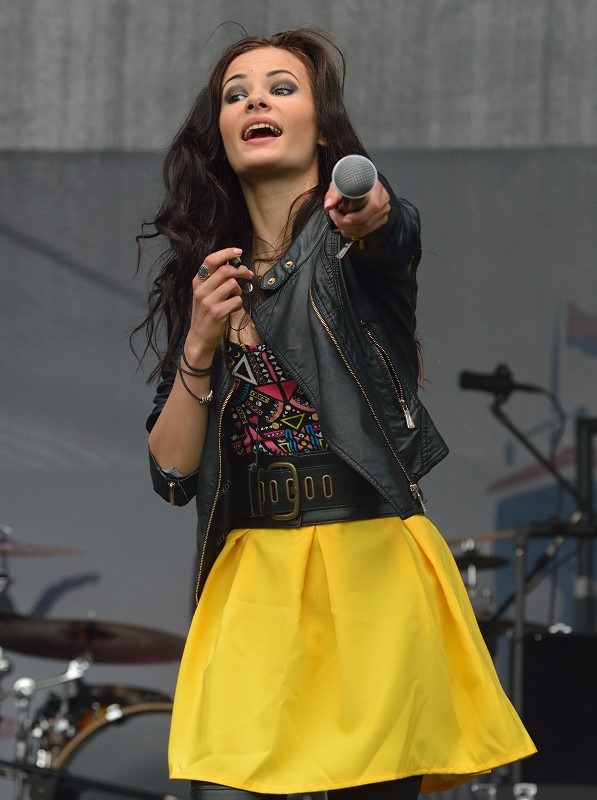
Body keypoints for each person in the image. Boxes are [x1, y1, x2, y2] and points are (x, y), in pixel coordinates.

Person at [135, 27, 536, 800]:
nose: (255, 100)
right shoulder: (208, 279)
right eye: (235, 94)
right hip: (253, 573)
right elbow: (173, 474)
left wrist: (369, 210)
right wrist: (198, 343)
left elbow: (392, 227)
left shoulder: (354, 240)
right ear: (220, 135)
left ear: (322, 127)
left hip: (369, 564)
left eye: (281, 87)